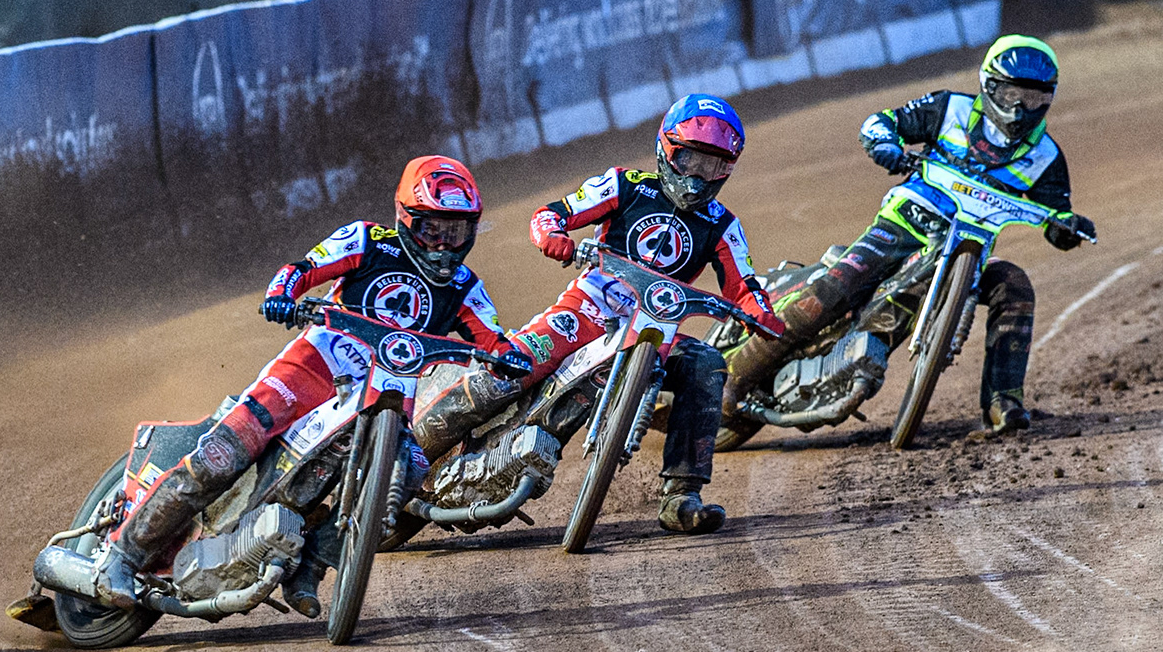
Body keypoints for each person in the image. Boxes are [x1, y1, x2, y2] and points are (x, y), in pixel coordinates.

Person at [91, 155, 530, 614]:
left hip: (389, 397)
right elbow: (301, 269)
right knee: (226, 453)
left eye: (456, 233)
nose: (443, 245)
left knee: (411, 469)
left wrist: (510, 358)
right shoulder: (366, 240)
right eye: (432, 230)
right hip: (312, 368)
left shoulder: (465, 286)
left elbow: (494, 339)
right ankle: (122, 556)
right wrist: (282, 294)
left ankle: (311, 565)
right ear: (405, 219)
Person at [416, 94, 784, 536]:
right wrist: (556, 238)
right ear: (666, 149)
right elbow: (551, 214)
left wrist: (763, 315)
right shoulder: (623, 185)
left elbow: (743, 287)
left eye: (711, 165)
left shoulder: (723, 225)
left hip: (657, 330)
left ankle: (682, 494)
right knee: (509, 370)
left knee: (706, 364)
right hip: (586, 311)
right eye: (688, 159)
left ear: (726, 169)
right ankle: (409, 454)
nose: (696, 176)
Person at [722, 35, 1096, 436]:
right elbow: (880, 122)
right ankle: (734, 380)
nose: (1021, 108)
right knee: (839, 287)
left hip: (967, 253)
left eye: (1035, 98)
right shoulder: (948, 109)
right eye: (1011, 94)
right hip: (901, 227)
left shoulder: (1047, 158)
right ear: (989, 86)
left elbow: (1057, 218)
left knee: (1015, 285)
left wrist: (1071, 228)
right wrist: (885, 144)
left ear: (1050, 99)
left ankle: (1003, 402)